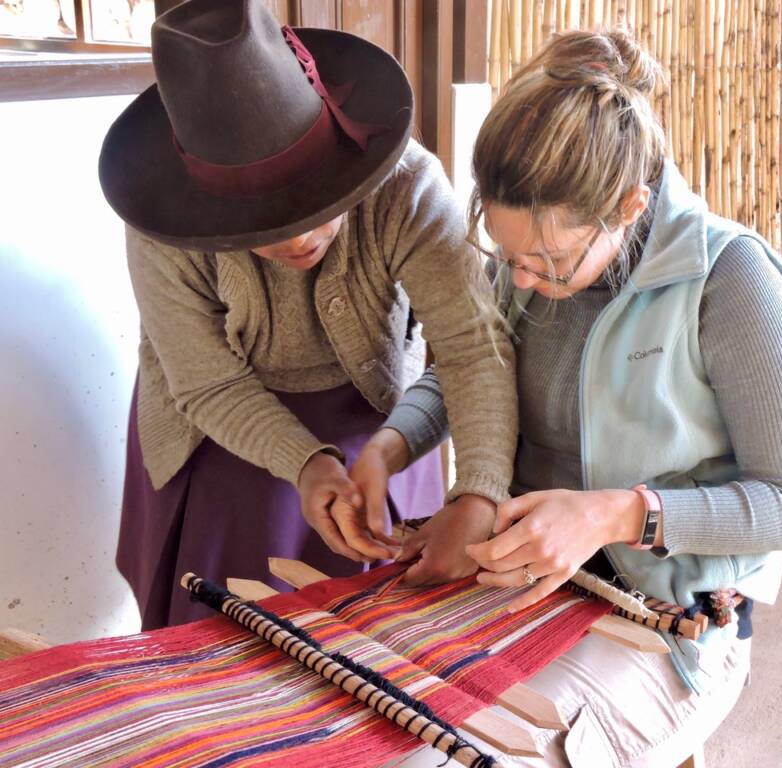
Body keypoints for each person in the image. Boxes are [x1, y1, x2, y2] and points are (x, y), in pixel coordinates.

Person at [356, 28, 782, 766]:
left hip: (669, 619)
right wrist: (389, 444)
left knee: (449, 755)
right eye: (507, 255)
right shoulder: (527, 260)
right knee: (361, 722)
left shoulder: (729, 278)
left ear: (631, 206)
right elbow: (469, 370)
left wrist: (614, 513)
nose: (520, 280)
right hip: (517, 577)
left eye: (547, 261)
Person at [99, 0, 516, 629]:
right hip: (217, 428)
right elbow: (207, 381)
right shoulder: (164, 224)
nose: (302, 238)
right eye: (267, 225)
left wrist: (479, 493)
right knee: (221, 638)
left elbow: (472, 346)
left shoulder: (408, 187)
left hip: (379, 419)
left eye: (319, 205)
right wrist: (307, 463)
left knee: (382, 631)